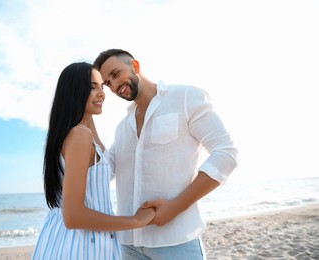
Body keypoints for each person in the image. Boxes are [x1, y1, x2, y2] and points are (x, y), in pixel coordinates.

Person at [93, 49, 238, 259]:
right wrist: (87, 120)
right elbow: (103, 172)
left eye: (115, 74)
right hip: (127, 245)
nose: (114, 86)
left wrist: (174, 208)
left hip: (177, 242)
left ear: (135, 66)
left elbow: (226, 153)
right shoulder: (122, 127)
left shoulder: (185, 97)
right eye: (107, 83)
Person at [32, 62, 156, 260]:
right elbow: (74, 217)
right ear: (74, 91)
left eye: (101, 86)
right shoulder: (79, 135)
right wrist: (135, 221)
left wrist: (88, 112)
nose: (102, 93)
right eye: (92, 87)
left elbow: (105, 163)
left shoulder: (74, 133)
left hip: (60, 239)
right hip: (82, 245)